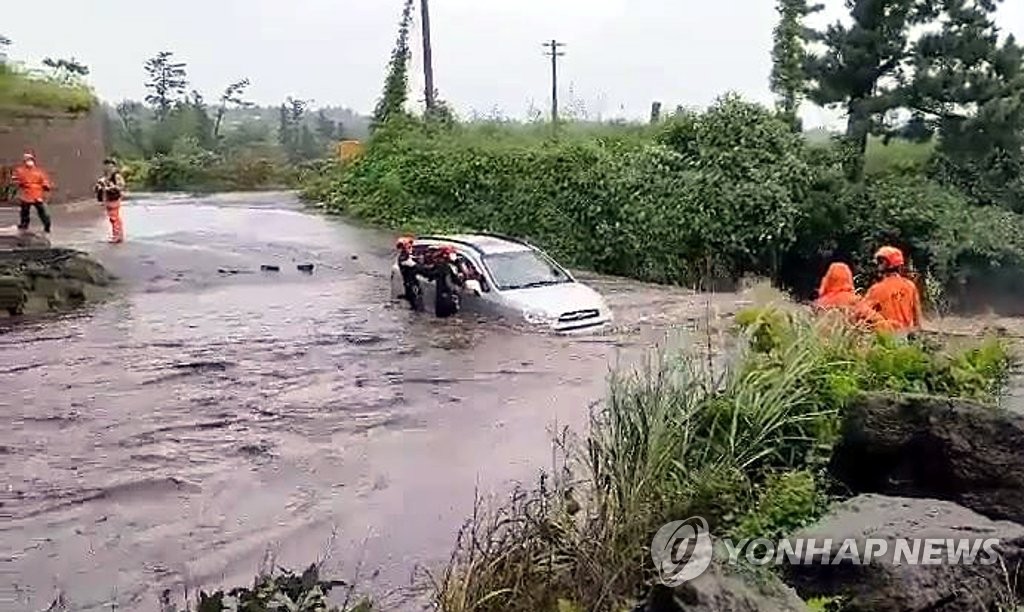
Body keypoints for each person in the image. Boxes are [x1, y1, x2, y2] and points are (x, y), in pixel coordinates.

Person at [857, 246, 923, 334]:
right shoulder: (910, 286)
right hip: (907, 337)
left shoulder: (876, 290)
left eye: (880, 262)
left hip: (886, 339)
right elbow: (918, 320)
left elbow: (860, 315)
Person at [12, 151, 52, 233]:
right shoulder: (20, 171)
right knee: (25, 211)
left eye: (30, 159)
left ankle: (47, 225)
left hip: (36, 194)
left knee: (42, 211)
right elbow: (16, 180)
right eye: (27, 160)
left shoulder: (38, 171)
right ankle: (24, 225)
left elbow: (44, 180)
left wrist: (46, 186)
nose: (29, 161)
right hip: (27, 194)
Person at [94, 158, 126, 243]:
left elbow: (120, 186)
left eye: (109, 165)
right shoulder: (106, 176)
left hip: (114, 197)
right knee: (113, 218)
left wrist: (110, 188)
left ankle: (117, 236)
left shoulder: (116, 175)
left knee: (114, 217)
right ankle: (118, 235)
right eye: (106, 165)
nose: (107, 167)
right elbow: (101, 185)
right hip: (108, 198)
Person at [432, 245, 465, 318]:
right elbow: (448, 283)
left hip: (447, 298)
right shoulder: (443, 267)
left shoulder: (453, 265)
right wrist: (458, 289)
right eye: (452, 253)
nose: (454, 255)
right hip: (446, 299)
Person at [395, 236, 423, 311]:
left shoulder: (406, 257)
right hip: (410, 283)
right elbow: (417, 267)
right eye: (409, 247)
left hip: (411, 282)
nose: (411, 248)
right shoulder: (404, 258)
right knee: (414, 303)